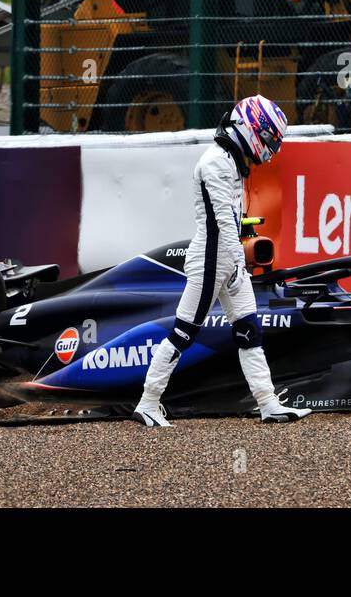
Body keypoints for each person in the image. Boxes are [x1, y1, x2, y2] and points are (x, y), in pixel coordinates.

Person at [133, 94, 311, 426]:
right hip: (212, 262)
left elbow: (228, 219)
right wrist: (237, 264)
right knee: (184, 332)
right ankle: (147, 401)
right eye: (269, 138)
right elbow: (222, 223)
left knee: (249, 331)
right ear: (250, 128)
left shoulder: (228, 160)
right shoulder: (216, 162)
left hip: (225, 260)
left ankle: (268, 403)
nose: (271, 148)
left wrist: (235, 260)